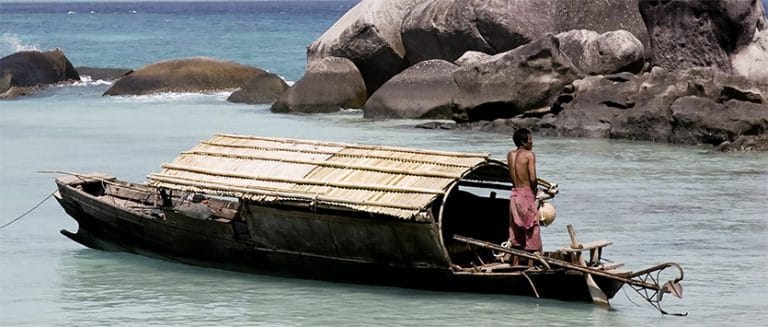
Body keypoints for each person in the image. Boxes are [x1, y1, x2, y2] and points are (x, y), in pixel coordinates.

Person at [507, 128, 542, 257]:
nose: (532, 142)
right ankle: (532, 255)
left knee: (516, 224)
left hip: (514, 193)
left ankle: (516, 252)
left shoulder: (510, 155)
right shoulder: (529, 155)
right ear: (523, 141)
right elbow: (533, 178)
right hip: (526, 193)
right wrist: (535, 189)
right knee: (532, 225)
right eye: (530, 139)